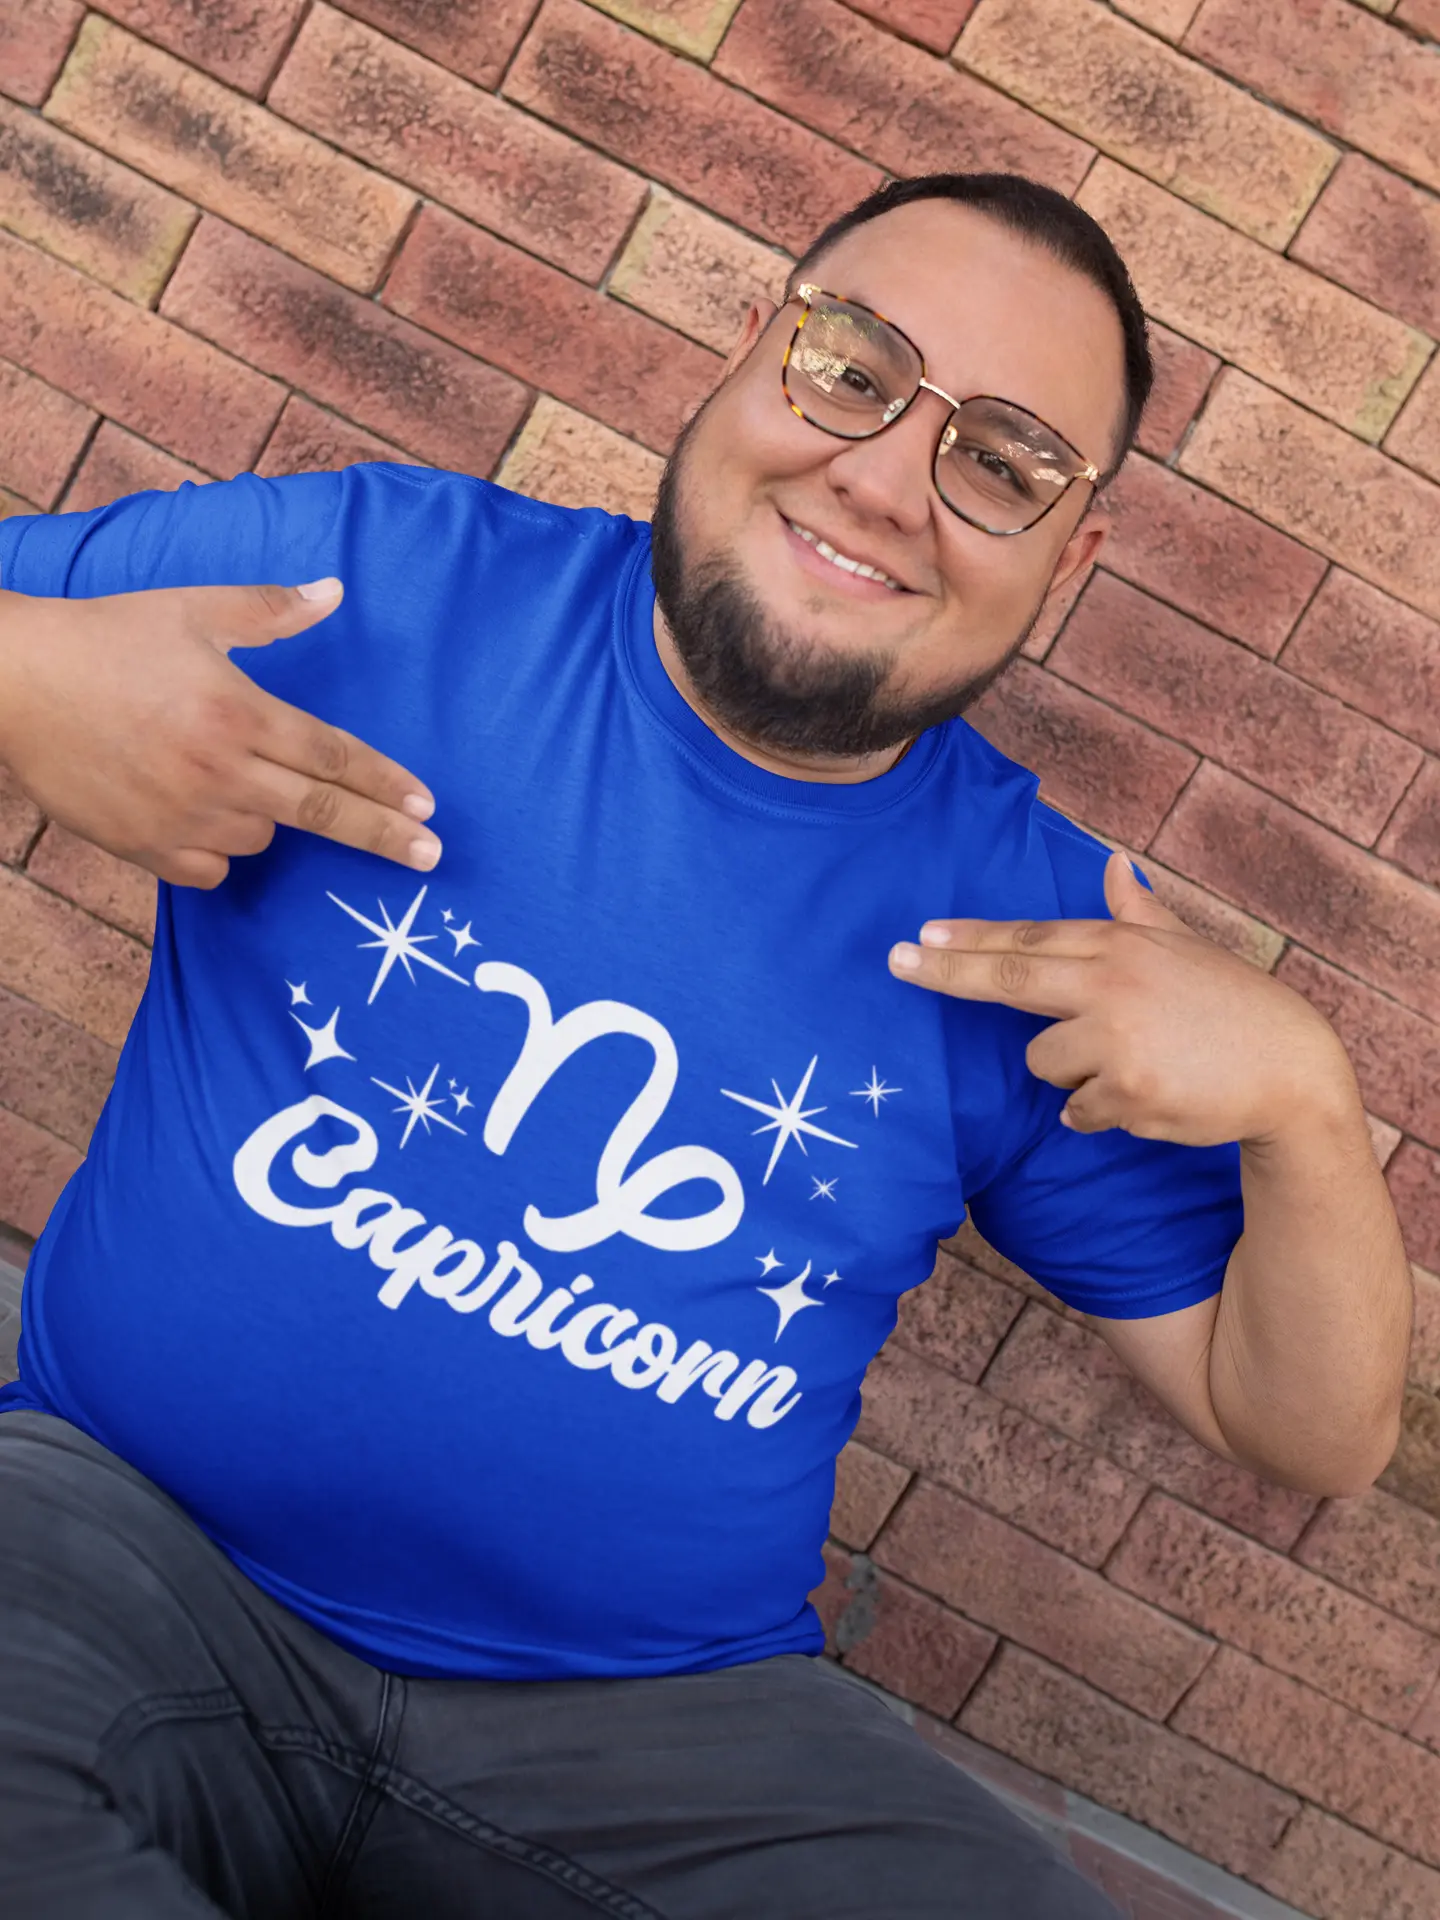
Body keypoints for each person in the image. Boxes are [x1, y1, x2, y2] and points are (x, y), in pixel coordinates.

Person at [0, 172, 1412, 1918]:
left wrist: (1305, 1104)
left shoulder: (1041, 932)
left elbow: (1305, 1431)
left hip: (655, 1737)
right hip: (119, 1551)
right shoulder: (379, 585)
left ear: (1071, 556)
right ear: (751, 348)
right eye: (854, 369)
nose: (886, 480)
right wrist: (19, 669)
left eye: (1002, 462)